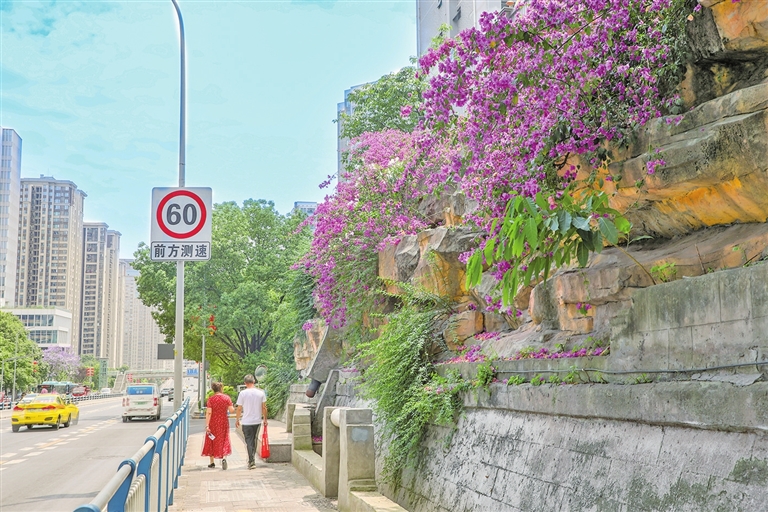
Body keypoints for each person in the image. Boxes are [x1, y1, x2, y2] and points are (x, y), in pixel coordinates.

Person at [235, 374, 267, 469]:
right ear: (254, 382)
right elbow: (264, 407)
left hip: (246, 421)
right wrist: (265, 419)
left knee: (248, 441)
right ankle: (252, 459)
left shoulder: (242, 393)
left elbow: (239, 408)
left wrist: (237, 419)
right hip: (257, 421)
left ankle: (251, 461)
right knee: (254, 439)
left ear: (245, 383)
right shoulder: (261, 393)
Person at [201, 382, 234, 470]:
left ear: (213, 389)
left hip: (213, 422)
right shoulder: (227, 398)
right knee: (224, 439)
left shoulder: (211, 399)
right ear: (221, 389)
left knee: (211, 439)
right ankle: (224, 458)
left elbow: (209, 412)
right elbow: (231, 410)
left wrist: (207, 425)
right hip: (223, 422)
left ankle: (212, 462)